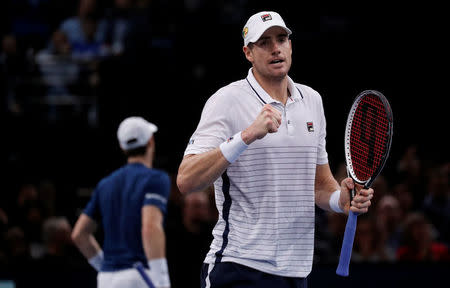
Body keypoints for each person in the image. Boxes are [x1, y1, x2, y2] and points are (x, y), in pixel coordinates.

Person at [176, 11, 375, 287]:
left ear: (291, 46)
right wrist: (245, 136)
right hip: (239, 265)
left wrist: (340, 201)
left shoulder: (313, 101)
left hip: (296, 270)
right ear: (248, 53)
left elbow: (318, 185)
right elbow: (186, 180)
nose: (275, 48)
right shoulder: (226, 101)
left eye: (281, 39)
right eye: (264, 42)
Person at [72, 116, 171, 288]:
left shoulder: (105, 184)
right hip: (139, 276)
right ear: (151, 141)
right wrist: (161, 281)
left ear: (122, 147)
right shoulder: (156, 179)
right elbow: (150, 228)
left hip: (107, 279)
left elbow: (79, 235)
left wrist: (104, 266)